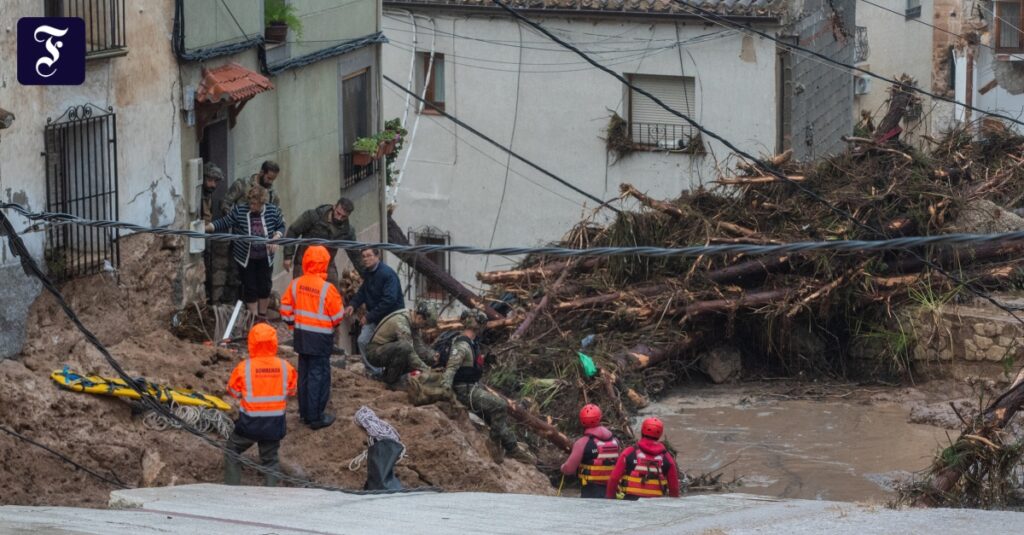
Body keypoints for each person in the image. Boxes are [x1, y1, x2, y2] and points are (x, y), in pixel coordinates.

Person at [440, 310, 536, 464]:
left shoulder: (471, 343)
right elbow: (451, 369)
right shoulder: (462, 345)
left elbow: (467, 365)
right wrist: (444, 393)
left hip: (472, 387)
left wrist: (484, 360)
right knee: (499, 406)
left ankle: (512, 447)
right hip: (464, 391)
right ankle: (493, 444)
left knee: (496, 419)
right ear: (479, 325)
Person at [224, 323, 297, 487]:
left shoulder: (244, 368)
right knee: (270, 460)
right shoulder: (286, 367)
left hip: (249, 423)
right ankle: (270, 495)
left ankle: (231, 490)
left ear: (251, 343)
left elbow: (233, 392)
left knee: (232, 450)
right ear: (274, 343)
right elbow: (292, 391)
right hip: (274, 424)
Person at [280, 245, 345, 430]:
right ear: (325, 263)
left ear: (306, 261)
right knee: (319, 375)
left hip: (301, 336)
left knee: (305, 374)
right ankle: (316, 417)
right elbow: (338, 316)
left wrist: (293, 324)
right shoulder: (327, 289)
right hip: (321, 338)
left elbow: (285, 310)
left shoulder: (296, 284)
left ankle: (304, 414)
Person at [207, 185, 286, 322]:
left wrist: (276, 237)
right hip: (246, 257)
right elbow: (225, 222)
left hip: (265, 257)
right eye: (250, 203)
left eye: (255, 204)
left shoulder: (272, 211)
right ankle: (253, 318)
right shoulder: (241, 211)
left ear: (262, 203)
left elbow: (281, 225)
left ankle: (262, 316)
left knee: (265, 286)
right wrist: (209, 227)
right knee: (250, 287)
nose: (251, 206)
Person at [344, 248, 404, 367]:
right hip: (376, 317)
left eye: (369, 255)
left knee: (389, 346)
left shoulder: (387, 274)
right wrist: (353, 304)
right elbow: (363, 291)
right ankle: (374, 371)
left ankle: (391, 373)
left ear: (377, 256)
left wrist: (369, 316)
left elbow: (389, 300)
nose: (366, 259)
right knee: (363, 341)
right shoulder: (369, 273)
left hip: (391, 317)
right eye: (364, 256)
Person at [282, 197, 364, 282]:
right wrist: (288, 256)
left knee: (332, 291)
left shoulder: (347, 231)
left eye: (343, 217)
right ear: (334, 207)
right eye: (338, 213)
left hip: (327, 265)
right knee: (303, 289)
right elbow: (293, 230)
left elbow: (355, 255)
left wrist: (366, 275)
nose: (339, 218)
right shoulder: (313, 216)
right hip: (305, 262)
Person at [605, 417, 680, 500]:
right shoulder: (667, 458)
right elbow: (674, 487)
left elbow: (614, 478)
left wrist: (610, 500)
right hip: (656, 506)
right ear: (660, 434)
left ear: (642, 430)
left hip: (629, 504)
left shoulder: (629, 452)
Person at [364, 304, 436, 385]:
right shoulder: (401, 320)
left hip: (389, 350)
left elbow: (419, 348)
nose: (423, 328)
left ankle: (387, 376)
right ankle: (390, 381)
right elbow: (409, 352)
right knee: (405, 348)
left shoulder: (414, 323)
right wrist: (426, 369)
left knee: (427, 358)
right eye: (425, 324)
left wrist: (432, 357)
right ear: (420, 317)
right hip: (374, 352)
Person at [561, 404, 621, 498]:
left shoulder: (582, 443)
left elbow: (569, 469)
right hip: (612, 490)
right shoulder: (615, 441)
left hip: (591, 491)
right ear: (599, 418)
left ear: (581, 421)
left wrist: (563, 468)